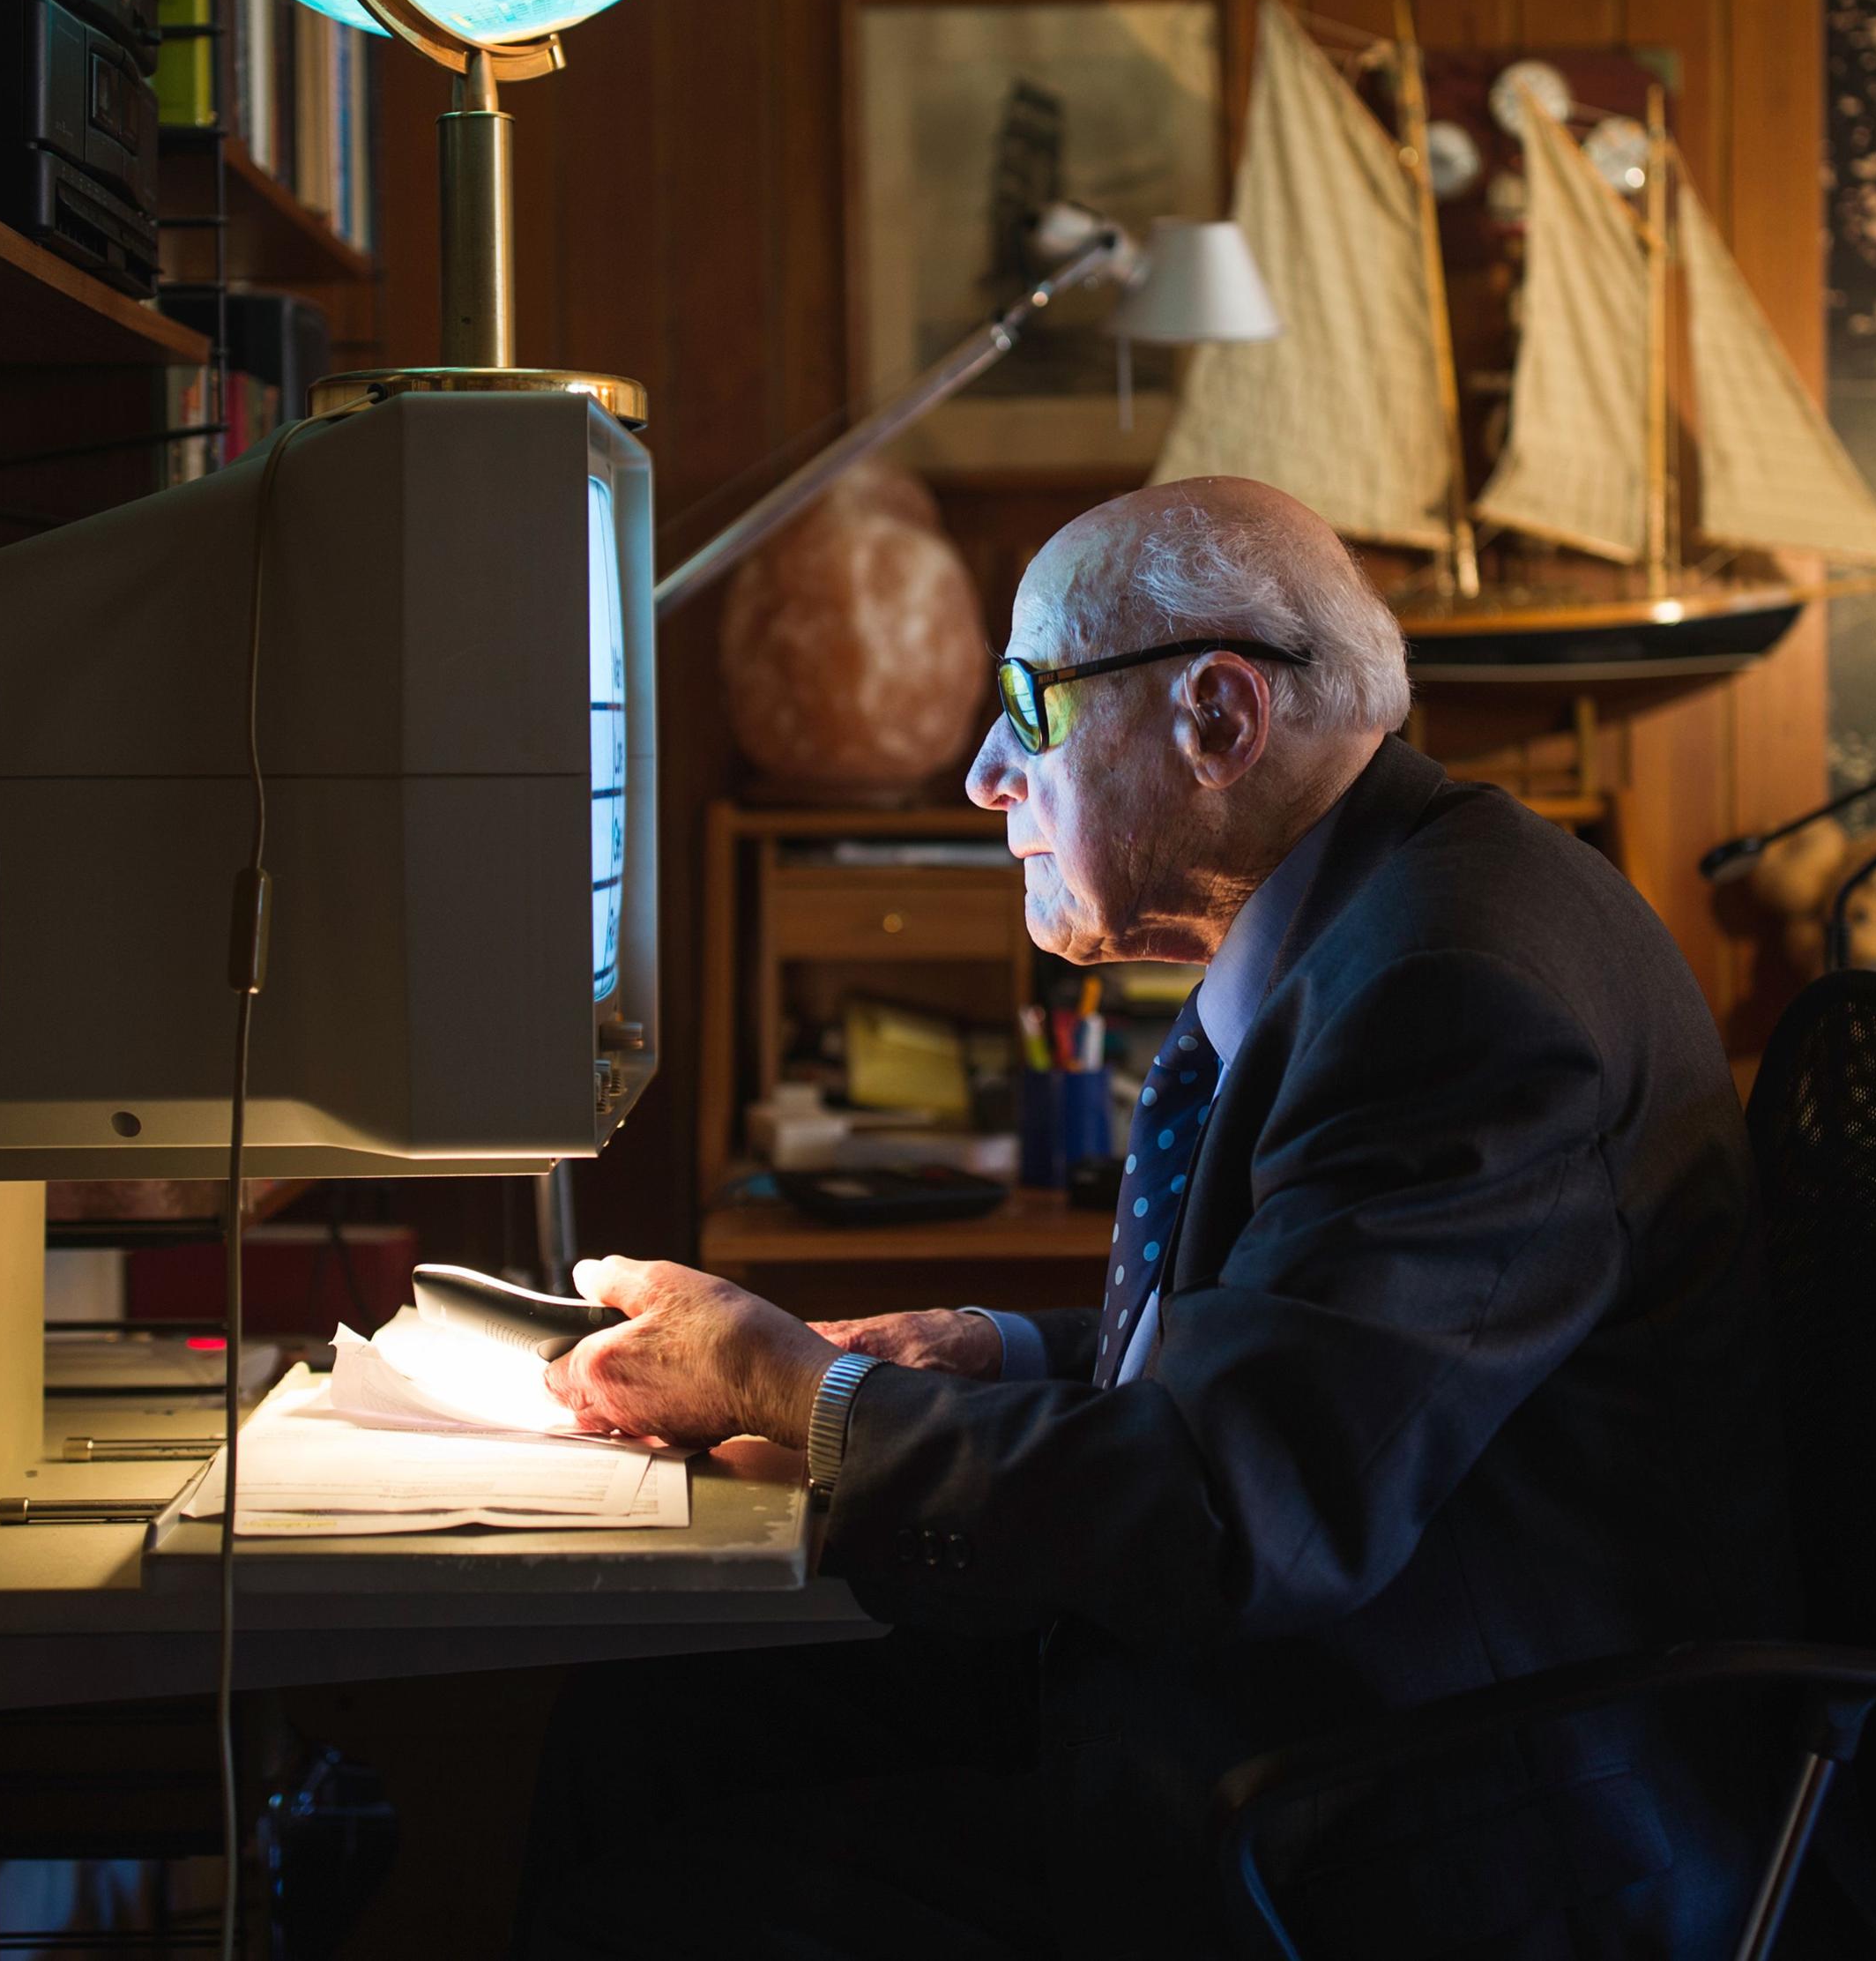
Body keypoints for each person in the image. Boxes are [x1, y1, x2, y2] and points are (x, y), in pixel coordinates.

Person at [518, 479, 1796, 1959]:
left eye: (1028, 705)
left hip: (1425, 1817)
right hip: (1319, 1696)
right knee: (643, 1723)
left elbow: (1230, 1508)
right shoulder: (1385, 918)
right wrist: (996, 1350)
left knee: (654, 1911)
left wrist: (794, 1392)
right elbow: (1304, 1346)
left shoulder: (1458, 995)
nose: (987, 774)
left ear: (1217, 718)